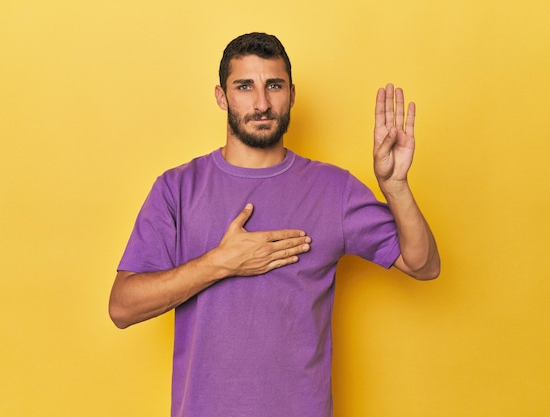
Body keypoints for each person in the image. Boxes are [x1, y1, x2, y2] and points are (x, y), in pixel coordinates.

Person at [109, 32, 440, 417]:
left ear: (292, 94)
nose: (262, 103)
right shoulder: (177, 188)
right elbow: (122, 307)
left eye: (274, 86)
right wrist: (222, 262)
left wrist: (395, 186)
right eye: (245, 86)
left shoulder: (334, 190)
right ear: (222, 96)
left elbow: (424, 265)